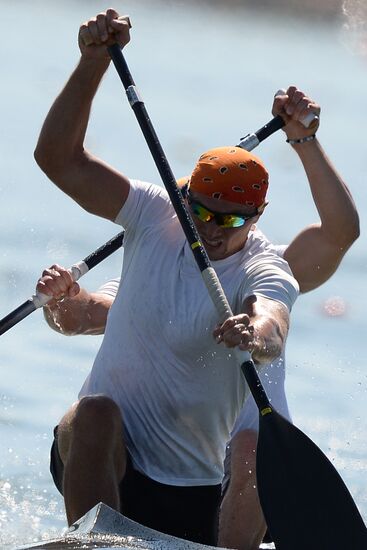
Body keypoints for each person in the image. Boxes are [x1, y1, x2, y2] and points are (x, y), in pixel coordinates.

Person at [33, 8, 358, 549]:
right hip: (114, 469)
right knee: (91, 413)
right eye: (199, 209)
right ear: (184, 193)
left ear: (257, 217)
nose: (209, 227)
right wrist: (92, 63)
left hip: (202, 500)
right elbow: (58, 160)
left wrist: (255, 336)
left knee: (253, 446)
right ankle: (90, 544)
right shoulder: (152, 212)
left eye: (229, 219)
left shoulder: (265, 266)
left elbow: (274, 320)